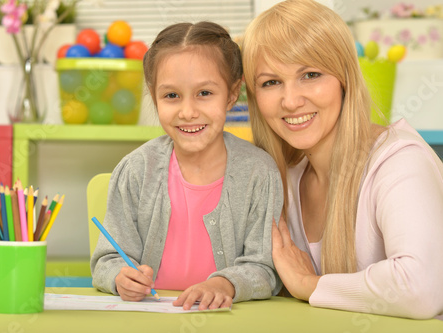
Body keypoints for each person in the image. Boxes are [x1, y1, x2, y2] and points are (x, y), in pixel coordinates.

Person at [241, 0, 443, 319]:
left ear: (345, 78)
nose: (291, 101)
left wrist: (309, 284)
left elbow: (421, 288)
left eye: (310, 74)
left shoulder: (400, 160)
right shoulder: (285, 180)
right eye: (271, 82)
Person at [91, 21, 283, 311]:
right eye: (171, 96)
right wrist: (119, 277)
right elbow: (106, 260)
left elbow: (265, 269)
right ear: (154, 98)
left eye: (204, 93)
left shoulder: (259, 172)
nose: (188, 112)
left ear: (232, 94)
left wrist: (224, 284)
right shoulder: (135, 170)